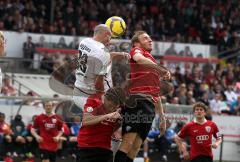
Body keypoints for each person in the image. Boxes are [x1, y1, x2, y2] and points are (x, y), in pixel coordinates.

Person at [114, 31, 171, 162]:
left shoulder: (151, 60)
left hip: (149, 106)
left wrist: (162, 118)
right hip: (137, 101)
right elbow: (139, 59)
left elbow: (156, 92)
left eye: (150, 38)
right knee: (128, 142)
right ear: (136, 43)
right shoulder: (137, 50)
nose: (150, 40)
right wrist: (161, 69)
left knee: (135, 147)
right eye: (145, 38)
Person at [73, 24, 129, 111]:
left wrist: (120, 54)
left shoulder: (84, 42)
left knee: (91, 121)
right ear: (106, 34)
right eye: (110, 37)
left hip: (78, 90)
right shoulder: (101, 52)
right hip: (90, 96)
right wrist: (103, 100)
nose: (109, 41)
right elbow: (98, 83)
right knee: (100, 122)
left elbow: (99, 56)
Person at [77, 87, 125, 162]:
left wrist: (119, 122)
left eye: (115, 107)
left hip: (105, 148)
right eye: (111, 106)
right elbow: (86, 120)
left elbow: (112, 129)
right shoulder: (94, 100)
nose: (112, 109)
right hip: (87, 148)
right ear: (106, 99)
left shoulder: (118, 109)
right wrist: (106, 116)